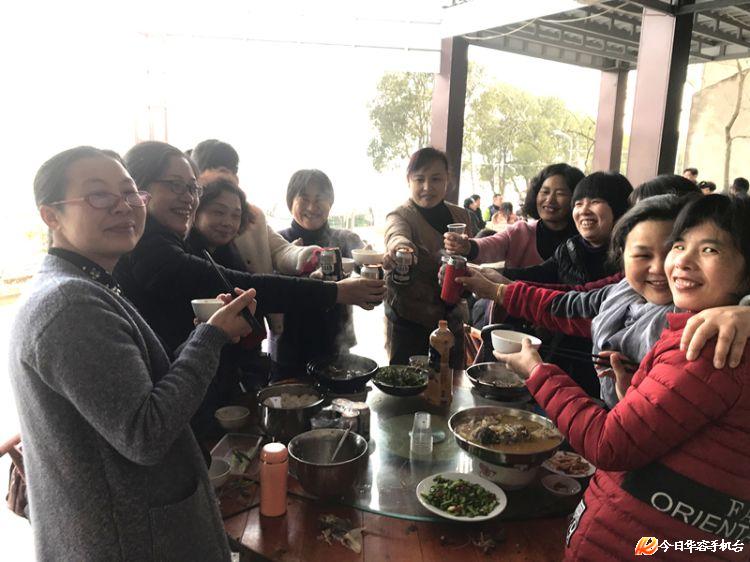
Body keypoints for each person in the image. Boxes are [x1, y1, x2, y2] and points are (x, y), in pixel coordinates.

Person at [10, 146, 258, 560]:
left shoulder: (83, 284)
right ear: (51, 215)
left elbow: (136, 393)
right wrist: (210, 337)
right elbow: (146, 433)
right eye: (99, 195)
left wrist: (202, 334)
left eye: (129, 193)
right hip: (130, 541)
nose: (123, 206)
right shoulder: (71, 305)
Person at [496, 194, 750, 561]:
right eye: (680, 246)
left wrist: (536, 372)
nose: (678, 262)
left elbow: (608, 443)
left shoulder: (709, 345)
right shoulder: (676, 321)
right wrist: (636, 395)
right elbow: (570, 303)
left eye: (709, 249)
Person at [114, 141, 384, 353]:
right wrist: (336, 292)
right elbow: (245, 285)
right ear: (138, 187)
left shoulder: (230, 231)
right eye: (175, 185)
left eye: (192, 188)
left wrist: (313, 258)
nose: (187, 197)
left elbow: (281, 252)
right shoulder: (149, 248)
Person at [271, 169, 367, 377]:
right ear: (290, 202)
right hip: (288, 346)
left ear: (330, 203)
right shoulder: (278, 242)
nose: (312, 207)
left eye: (319, 199)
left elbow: (369, 270)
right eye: (304, 199)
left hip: (335, 343)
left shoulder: (345, 239)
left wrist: (375, 261)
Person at [383, 147, 474, 366]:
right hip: (409, 321)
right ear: (409, 180)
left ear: (447, 180)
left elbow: (471, 257)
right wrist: (400, 247)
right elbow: (396, 235)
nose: (427, 187)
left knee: (450, 379)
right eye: (419, 179)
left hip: (451, 321)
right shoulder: (401, 215)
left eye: (435, 179)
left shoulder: (461, 216)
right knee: (406, 379)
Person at [444, 163, 583, 269]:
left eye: (560, 194)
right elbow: (492, 245)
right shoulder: (521, 232)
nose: (550, 200)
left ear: (577, 199)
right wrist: (467, 246)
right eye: (545, 192)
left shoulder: (585, 240)